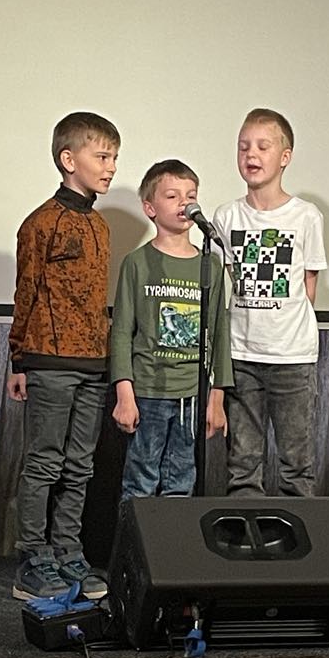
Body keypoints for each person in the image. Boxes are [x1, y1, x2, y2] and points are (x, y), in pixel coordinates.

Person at [7, 111, 120, 600]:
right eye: (103, 156)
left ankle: (69, 552)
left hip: (93, 364)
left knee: (80, 466)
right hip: (49, 361)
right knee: (44, 464)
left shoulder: (100, 225)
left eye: (114, 158)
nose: (111, 166)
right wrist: (18, 358)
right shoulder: (41, 223)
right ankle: (33, 559)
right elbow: (26, 292)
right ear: (69, 159)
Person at [213, 108, 327, 496]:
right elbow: (231, 278)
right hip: (242, 355)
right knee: (242, 462)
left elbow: (309, 286)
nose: (251, 154)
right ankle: (245, 528)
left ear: (285, 156)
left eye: (263, 146)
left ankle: (297, 534)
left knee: (296, 464)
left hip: (292, 357)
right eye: (243, 146)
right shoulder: (226, 216)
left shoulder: (305, 216)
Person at [110, 159, 233, 500]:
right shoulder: (137, 263)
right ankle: (133, 537)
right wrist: (124, 393)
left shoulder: (210, 264)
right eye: (172, 196)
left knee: (181, 481)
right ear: (150, 208)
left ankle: (173, 537)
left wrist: (217, 397)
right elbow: (122, 331)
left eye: (191, 196)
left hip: (191, 395)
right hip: (148, 391)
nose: (184, 203)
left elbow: (219, 333)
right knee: (140, 481)